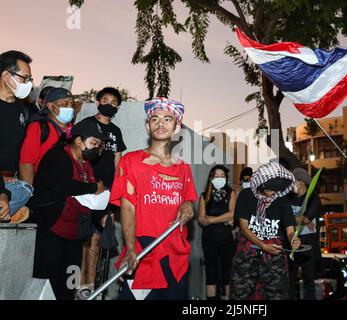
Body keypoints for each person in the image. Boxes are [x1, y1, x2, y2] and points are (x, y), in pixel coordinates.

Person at [110, 97, 197, 300]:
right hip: (143, 251)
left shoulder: (183, 168)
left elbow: (188, 201)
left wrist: (187, 205)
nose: (160, 123)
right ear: (148, 125)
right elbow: (128, 208)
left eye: (168, 119)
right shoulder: (130, 161)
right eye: (155, 118)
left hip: (175, 254)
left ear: (176, 128)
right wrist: (130, 249)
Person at [31, 119, 108, 300]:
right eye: (93, 143)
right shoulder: (57, 156)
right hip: (52, 229)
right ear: (78, 141)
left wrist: (102, 215)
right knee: (47, 281)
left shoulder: (87, 165)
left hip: (75, 232)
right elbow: (61, 185)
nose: (96, 149)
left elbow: (89, 199)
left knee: (68, 284)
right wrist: (94, 188)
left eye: (98, 145)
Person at [76, 87, 126, 297]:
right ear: (97, 102)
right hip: (85, 188)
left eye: (113, 101)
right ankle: (78, 284)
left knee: (98, 238)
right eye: (104, 99)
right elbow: (73, 151)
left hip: (106, 193)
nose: (108, 103)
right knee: (83, 238)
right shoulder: (86, 124)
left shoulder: (115, 131)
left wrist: (117, 189)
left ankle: (89, 287)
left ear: (117, 107)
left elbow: (118, 160)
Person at [229, 162, 301, 300]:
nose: (272, 193)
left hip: (274, 254)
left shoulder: (282, 200)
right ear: (261, 184)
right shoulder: (246, 195)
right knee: (240, 293)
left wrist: (293, 239)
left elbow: (290, 230)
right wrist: (262, 245)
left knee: (277, 294)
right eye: (269, 189)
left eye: (276, 189)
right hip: (247, 252)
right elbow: (244, 227)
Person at [0, 50, 34, 223]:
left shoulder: (21, 110)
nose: (28, 84)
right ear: (6, 76)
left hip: (9, 181)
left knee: (26, 188)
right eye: (24, 78)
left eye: (30, 80)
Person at [19, 88, 75, 185]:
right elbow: (26, 162)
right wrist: (29, 191)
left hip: (68, 188)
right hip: (44, 189)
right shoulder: (38, 128)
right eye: (65, 104)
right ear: (50, 106)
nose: (70, 108)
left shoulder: (73, 130)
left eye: (72, 104)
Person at [198, 165, 236, 300]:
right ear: (211, 178)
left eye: (222, 176)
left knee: (227, 273)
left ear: (226, 178)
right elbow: (201, 218)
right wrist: (221, 219)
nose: (219, 178)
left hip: (226, 239)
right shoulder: (204, 196)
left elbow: (232, 214)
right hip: (209, 239)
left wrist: (212, 220)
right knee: (211, 273)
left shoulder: (231, 193)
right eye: (216, 176)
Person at [288, 167, 322, 300]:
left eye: (294, 181)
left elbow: (306, 219)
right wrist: (301, 220)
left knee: (308, 279)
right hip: (293, 243)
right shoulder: (289, 198)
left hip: (309, 245)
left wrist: (300, 220)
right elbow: (285, 218)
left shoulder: (313, 197)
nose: (292, 185)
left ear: (301, 182)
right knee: (290, 279)